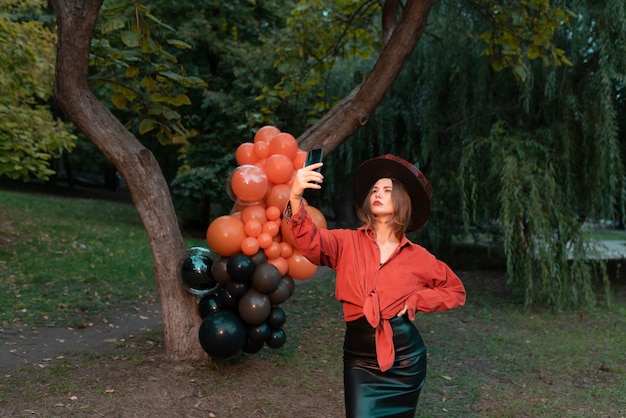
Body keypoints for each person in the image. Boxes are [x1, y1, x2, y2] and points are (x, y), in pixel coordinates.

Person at [284, 154, 466, 418]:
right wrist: (295, 196)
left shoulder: (419, 257)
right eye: (375, 190)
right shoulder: (346, 242)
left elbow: (456, 291)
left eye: (387, 190)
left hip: (406, 361)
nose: (378, 193)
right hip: (359, 360)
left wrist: (417, 300)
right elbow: (308, 242)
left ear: (402, 200)